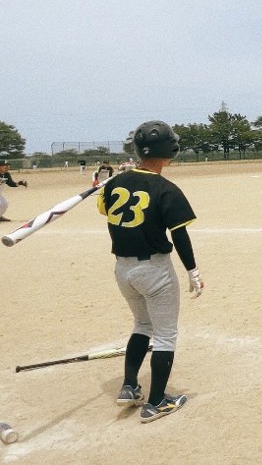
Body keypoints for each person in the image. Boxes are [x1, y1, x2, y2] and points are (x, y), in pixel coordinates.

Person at [97, 120, 204, 424]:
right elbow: (180, 235)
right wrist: (192, 271)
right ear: (170, 150)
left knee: (142, 324)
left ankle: (130, 386)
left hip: (122, 270)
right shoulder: (166, 189)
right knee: (166, 336)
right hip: (154, 269)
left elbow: (105, 210)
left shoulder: (115, 184)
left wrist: (115, 184)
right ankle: (156, 403)